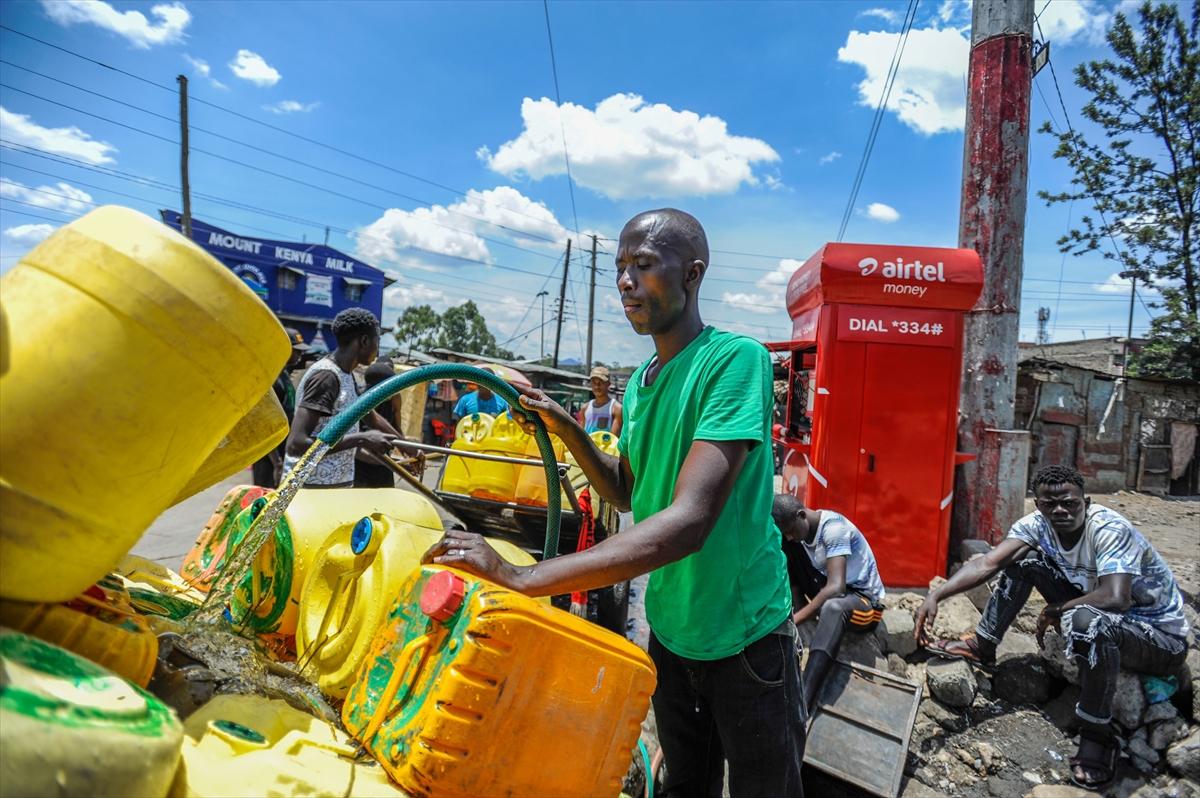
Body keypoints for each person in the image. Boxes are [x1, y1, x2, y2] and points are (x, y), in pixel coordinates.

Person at [422, 209, 804, 797]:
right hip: (673, 632)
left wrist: (524, 577)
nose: (625, 281)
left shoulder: (734, 361)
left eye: (644, 265)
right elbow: (628, 492)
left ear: (693, 273)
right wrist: (564, 426)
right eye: (621, 267)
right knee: (686, 788)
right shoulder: (643, 381)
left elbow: (689, 522)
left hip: (746, 637)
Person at [915, 465, 1189, 791]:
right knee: (1023, 560)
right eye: (1050, 504)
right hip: (1100, 610)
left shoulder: (1108, 528)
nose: (1060, 511)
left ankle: (1096, 736)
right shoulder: (1036, 526)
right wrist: (937, 594)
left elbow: (1116, 598)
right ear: (1039, 505)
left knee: (1089, 621)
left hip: (1158, 637)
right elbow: (987, 563)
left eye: (1069, 503)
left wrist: (1057, 609)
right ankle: (983, 645)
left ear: (1085, 501)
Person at [771, 495, 885, 712]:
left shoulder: (833, 528)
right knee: (787, 548)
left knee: (833, 607)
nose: (790, 535)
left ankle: (805, 699)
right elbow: (795, 574)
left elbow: (836, 588)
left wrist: (796, 620)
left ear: (802, 515)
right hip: (826, 589)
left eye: (791, 530)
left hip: (862, 601)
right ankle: (797, 629)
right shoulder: (797, 536)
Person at [283, 308, 404, 488]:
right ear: (364, 341)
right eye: (377, 341)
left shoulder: (346, 375)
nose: (377, 351)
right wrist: (361, 438)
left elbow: (369, 416)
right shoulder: (326, 377)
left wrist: (404, 444)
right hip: (307, 492)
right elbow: (296, 444)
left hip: (333, 490)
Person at [252, 327, 309, 488]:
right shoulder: (273, 380)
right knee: (265, 498)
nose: (300, 355)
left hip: (282, 452)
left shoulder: (284, 374)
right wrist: (276, 462)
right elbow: (264, 424)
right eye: (296, 351)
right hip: (269, 456)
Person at [353, 356, 402, 488]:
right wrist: (392, 464)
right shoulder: (359, 401)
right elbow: (354, 448)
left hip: (383, 459)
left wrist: (404, 445)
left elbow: (393, 424)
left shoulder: (393, 398)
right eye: (388, 389)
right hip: (362, 465)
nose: (391, 393)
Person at [577, 365, 623, 435]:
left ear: (608, 384)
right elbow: (581, 435)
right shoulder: (585, 408)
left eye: (601, 382)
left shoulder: (616, 409)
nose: (597, 386)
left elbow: (613, 439)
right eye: (594, 382)